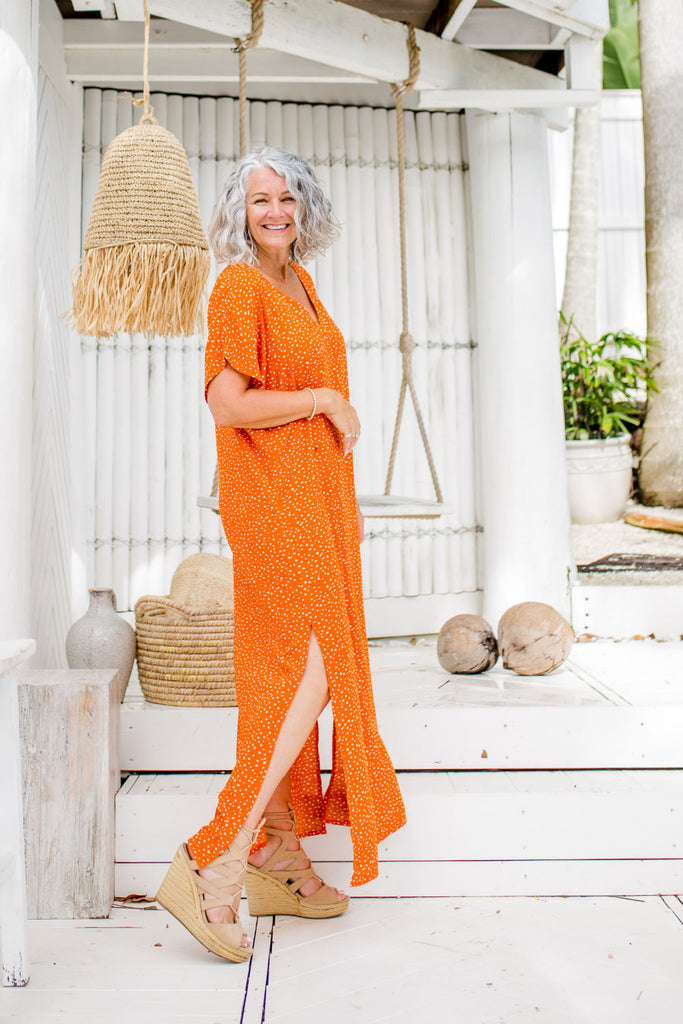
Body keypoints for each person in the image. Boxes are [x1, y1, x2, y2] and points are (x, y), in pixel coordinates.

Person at [156, 147, 406, 963]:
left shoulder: (300, 284)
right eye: (260, 199)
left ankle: (277, 851)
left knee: (282, 672)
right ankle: (219, 856)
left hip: (318, 504)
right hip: (272, 504)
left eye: (286, 198)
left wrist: (342, 501)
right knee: (318, 666)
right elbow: (228, 404)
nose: (274, 211)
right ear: (241, 210)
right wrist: (323, 398)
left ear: (304, 208)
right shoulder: (235, 285)